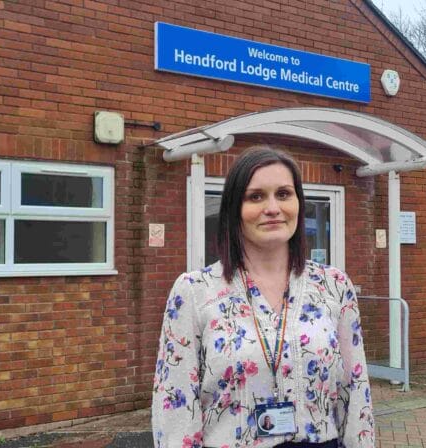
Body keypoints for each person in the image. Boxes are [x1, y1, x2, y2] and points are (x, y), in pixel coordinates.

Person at [152, 147, 375, 448]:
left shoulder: (334, 286)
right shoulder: (194, 291)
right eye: (255, 196)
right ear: (234, 209)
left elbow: (356, 390)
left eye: (283, 194)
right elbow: (175, 406)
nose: (273, 207)